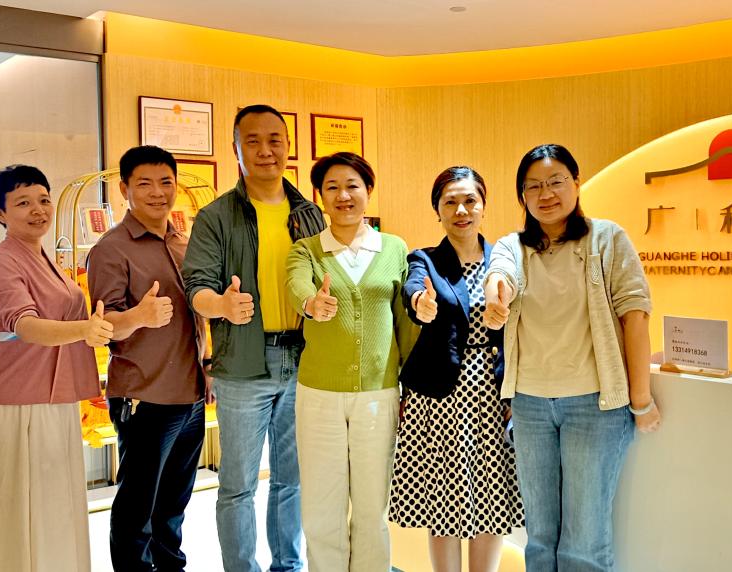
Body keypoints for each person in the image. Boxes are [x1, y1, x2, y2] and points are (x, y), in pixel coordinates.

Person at [483, 144, 661, 572]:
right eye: (533, 187)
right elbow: (500, 274)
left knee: (584, 540)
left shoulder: (607, 239)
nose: (546, 194)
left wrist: (641, 400)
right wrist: (495, 296)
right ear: (522, 196)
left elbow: (635, 316)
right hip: (530, 407)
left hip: (594, 408)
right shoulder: (513, 246)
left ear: (576, 184)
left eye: (556, 181)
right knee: (540, 537)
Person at [182, 105, 324, 572]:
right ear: (236, 149)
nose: (266, 150)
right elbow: (196, 287)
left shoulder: (309, 214)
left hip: (304, 361)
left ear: (288, 146)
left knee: (292, 480)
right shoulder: (216, 216)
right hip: (243, 363)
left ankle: (289, 565)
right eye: (253, 141)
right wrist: (221, 305)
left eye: (275, 140)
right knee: (238, 485)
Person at [0, 165, 112, 572]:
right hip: (15, 404)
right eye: (23, 202)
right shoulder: (0, 262)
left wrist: (138, 317)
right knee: (12, 515)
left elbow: (81, 321)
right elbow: (24, 326)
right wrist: (85, 330)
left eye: (43, 200)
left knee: (53, 509)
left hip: (54, 398)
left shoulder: (46, 259)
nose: (38, 210)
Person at [388, 166, 524, 572]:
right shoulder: (425, 259)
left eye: (470, 201)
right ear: (438, 210)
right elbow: (413, 288)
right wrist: (420, 304)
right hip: (440, 398)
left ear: (483, 206)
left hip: (494, 393)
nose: (461, 210)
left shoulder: (506, 258)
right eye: (450, 202)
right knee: (444, 502)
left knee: (491, 499)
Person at [285, 152, 414, 572]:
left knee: (373, 506)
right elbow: (296, 285)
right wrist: (311, 304)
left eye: (352, 186)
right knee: (321, 507)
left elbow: (404, 321)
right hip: (319, 395)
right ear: (320, 197)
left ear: (368, 191)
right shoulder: (306, 250)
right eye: (332, 187)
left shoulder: (394, 248)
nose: (343, 195)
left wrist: (408, 386)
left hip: (379, 394)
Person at [87, 145, 209, 572]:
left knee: (174, 505)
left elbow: (199, 315)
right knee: (136, 508)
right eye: (144, 183)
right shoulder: (111, 249)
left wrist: (209, 364)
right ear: (124, 189)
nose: (158, 192)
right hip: (145, 397)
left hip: (191, 395)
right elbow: (104, 326)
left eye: (165, 182)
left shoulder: (185, 243)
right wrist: (139, 316)